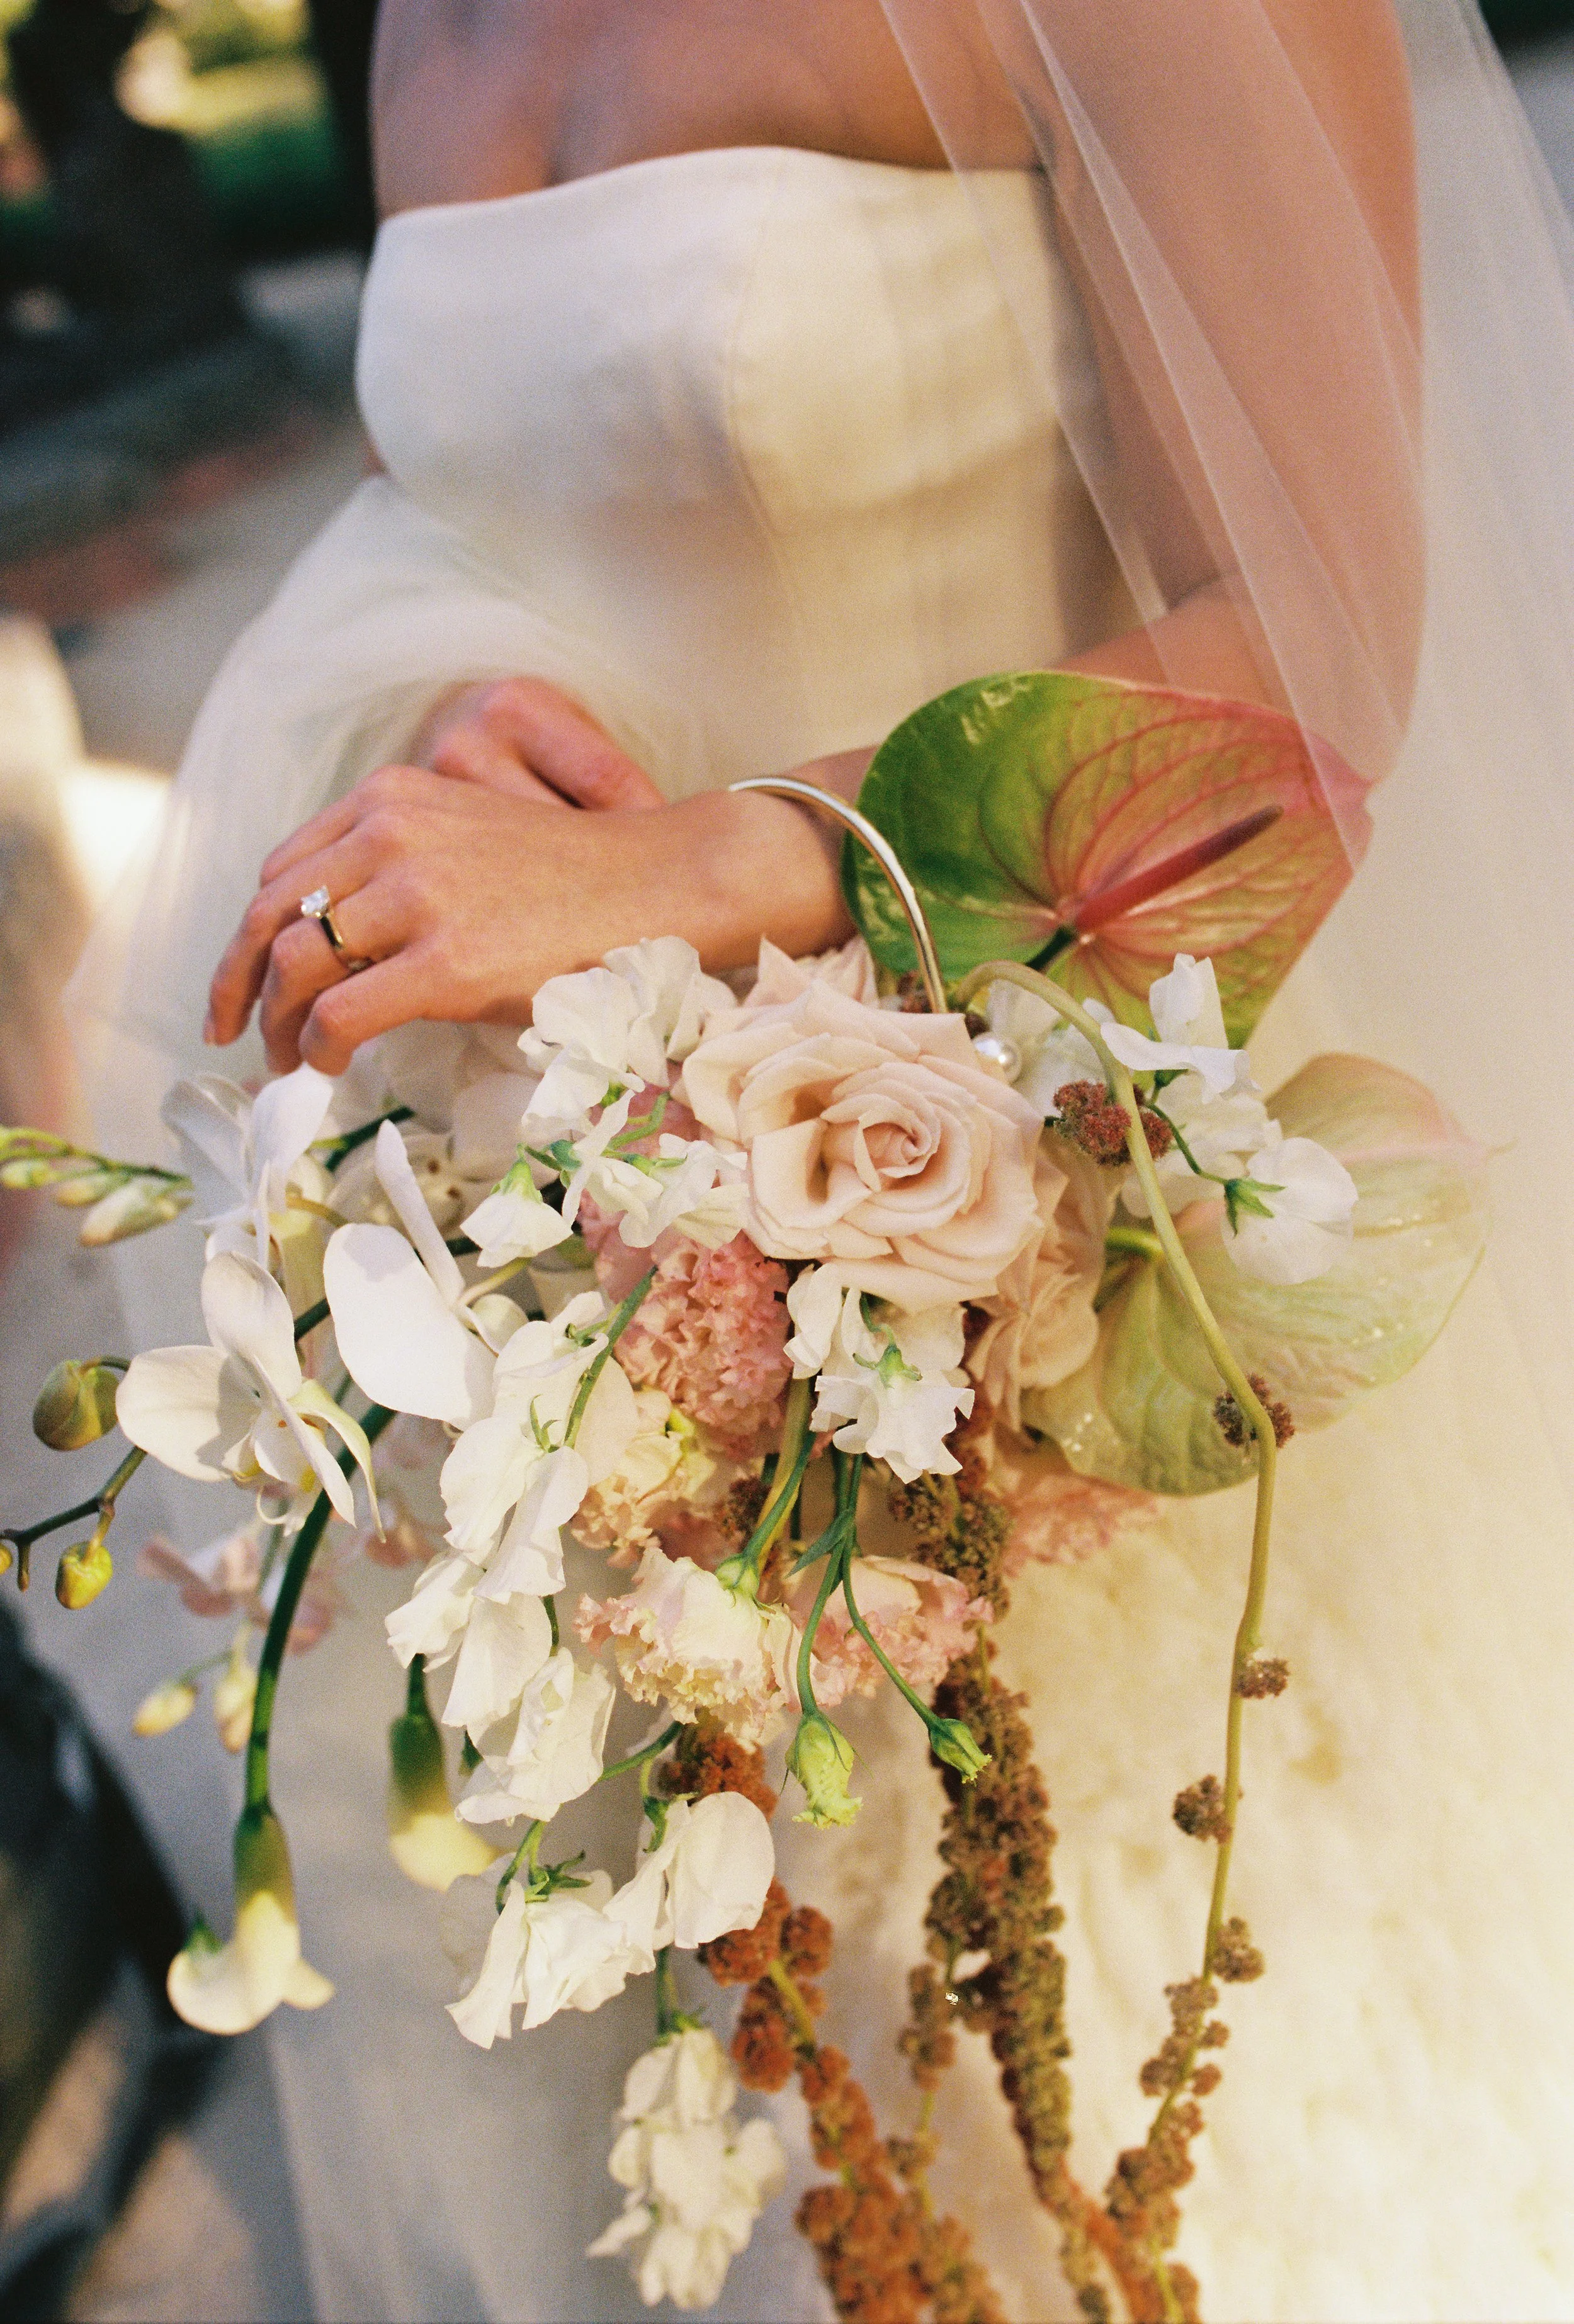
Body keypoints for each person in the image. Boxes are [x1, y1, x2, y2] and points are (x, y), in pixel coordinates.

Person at [71, 2, 1574, 2318]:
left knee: (1090, 2162)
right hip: (614, 1337)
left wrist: (695, 855)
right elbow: (499, 502)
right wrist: (473, 707)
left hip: (1036, 1252)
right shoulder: (429, 23)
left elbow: (1304, 686)